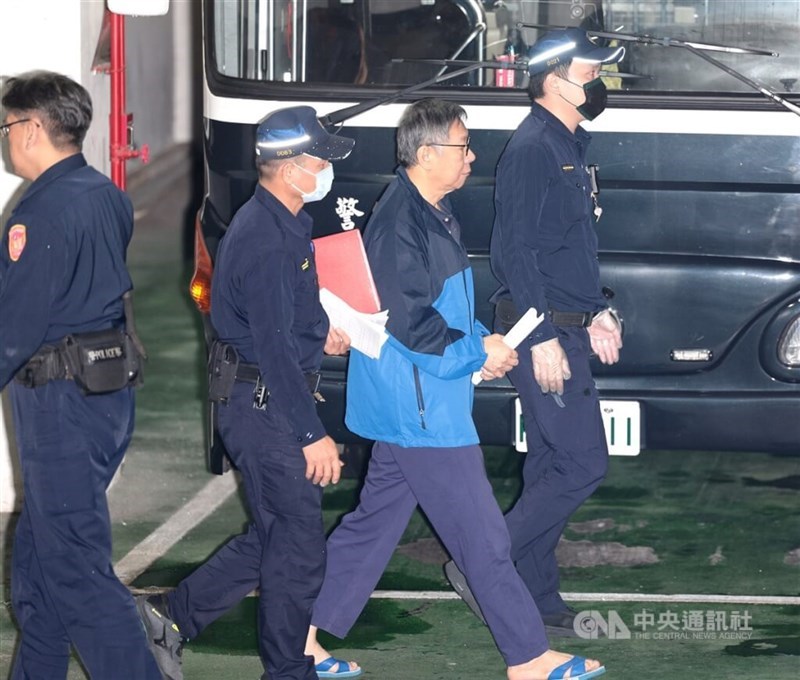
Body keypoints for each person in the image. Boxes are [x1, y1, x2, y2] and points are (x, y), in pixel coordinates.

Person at [304, 98, 606, 680]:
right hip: (420, 409)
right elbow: (413, 325)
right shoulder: (402, 222)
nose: (472, 158)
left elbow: (444, 310)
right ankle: (527, 656)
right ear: (426, 154)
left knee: (369, 530)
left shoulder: (431, 210)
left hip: (415, 400)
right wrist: (473, 352)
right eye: (462, 147)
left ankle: (298, 634)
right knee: (484, 538)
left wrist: (482, 347)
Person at [136, 105, 355, 680]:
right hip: (268, 410)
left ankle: (168, 617)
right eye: (319, 160)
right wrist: (311, 433)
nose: (327, 170)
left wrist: (319, 330)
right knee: (300, 546)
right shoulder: (266, 239)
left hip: (258, 401)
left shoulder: (282, 223)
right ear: (288, 169)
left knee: (273, 536)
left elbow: (277, 325)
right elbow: (274, 349)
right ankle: (288, 671)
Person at [446, 28, 626, 636]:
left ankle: (534, 589)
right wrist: (543, 335)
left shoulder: (570, 142)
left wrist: (598, 308)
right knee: (581, 464)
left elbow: (568, 250)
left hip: (568, 324)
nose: (600, 82)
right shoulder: (533, 149)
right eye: (590, 71)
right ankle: (483, 566)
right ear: (555, 81)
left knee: (551, 461)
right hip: (539, 331)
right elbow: (513, 252)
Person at [0, 71, 161, 678]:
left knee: (75, 571)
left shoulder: (39, 212)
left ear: (33, 128)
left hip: (58, 406)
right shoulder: (105, 193)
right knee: (41, 576)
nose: (7, 139)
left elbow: (14, 324)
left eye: (8, 126)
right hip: (105, 392)